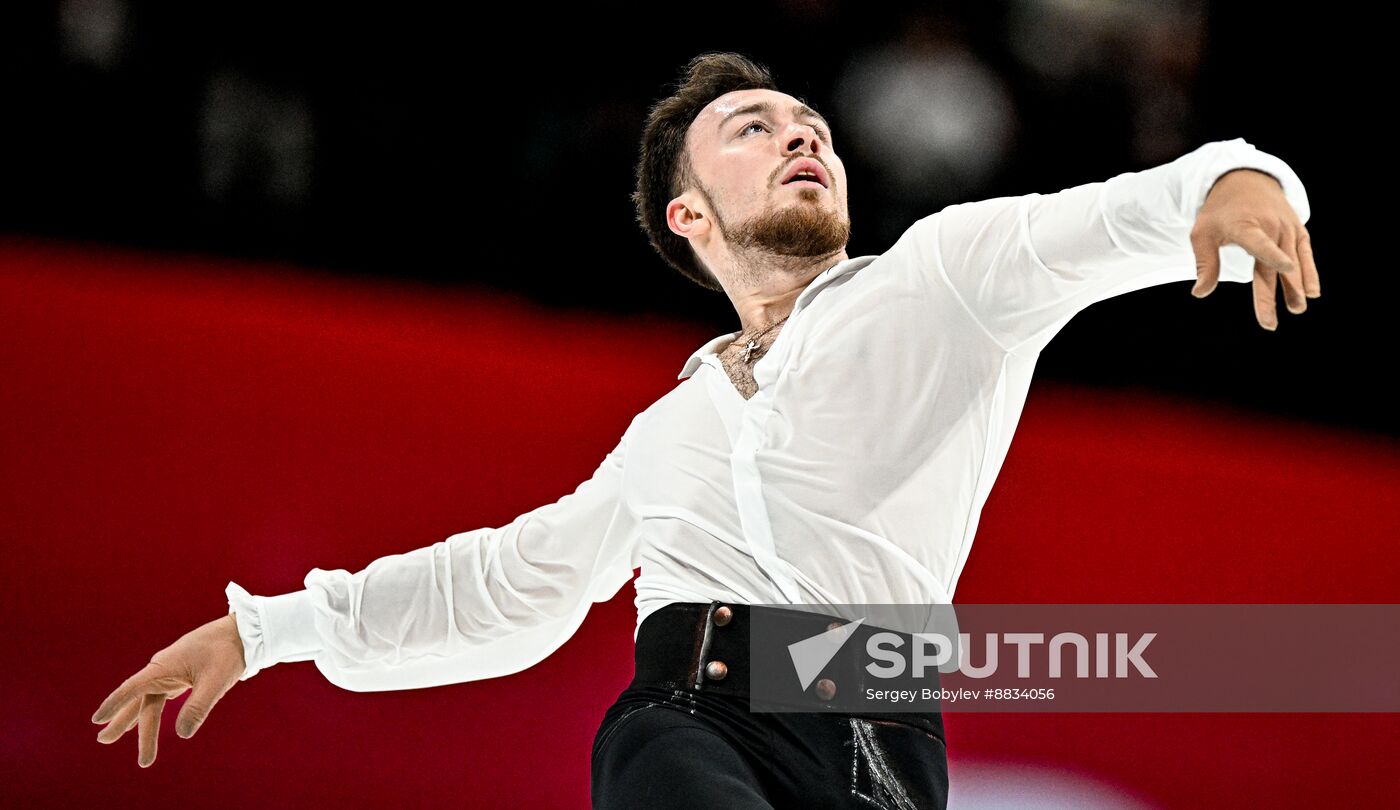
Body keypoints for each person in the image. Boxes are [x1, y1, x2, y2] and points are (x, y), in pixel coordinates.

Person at [91, 51, 1318, 807]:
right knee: (657, 752)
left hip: (878, 725)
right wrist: (268, 633)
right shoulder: (667, 430)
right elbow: (512, 584)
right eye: (756, 127)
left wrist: (1239, 186)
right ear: (687, 213)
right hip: (689, 719)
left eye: (814, 130)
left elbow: (1102, 218)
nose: (803, 137)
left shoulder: (937, 280)